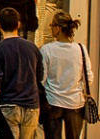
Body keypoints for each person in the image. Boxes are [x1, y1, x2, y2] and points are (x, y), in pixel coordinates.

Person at [0, 7, 44, 139]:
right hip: (31, 104)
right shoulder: (32, 47)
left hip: (8, 103)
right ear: (18, 24)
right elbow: (40, 76)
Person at [40, 11, 94, 139]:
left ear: (58, 29)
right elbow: (89, 78)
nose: (51, 28)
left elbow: (41, 79)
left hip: (53, 102)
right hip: (75, 103)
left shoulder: (47, 50)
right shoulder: (81, 49)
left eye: (51, 25)